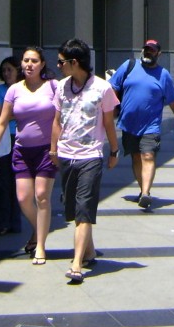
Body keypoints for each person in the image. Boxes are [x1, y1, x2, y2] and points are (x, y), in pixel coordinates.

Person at [49, 38, 120, 284]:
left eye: (61, 62)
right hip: (67, 155)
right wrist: (53, 150)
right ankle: (89, 252)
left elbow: (109, 123)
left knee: (84, 209)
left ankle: (77, 264)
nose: (58, 66)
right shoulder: (61, 87)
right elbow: (57, 121)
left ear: (74, 62)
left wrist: (113, 151)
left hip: (91, 156)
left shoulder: (102, 88)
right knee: (73, 209)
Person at [0, 46, 58, 265]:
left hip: (47, 150)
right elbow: (1, 121)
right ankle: (38, 231)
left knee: (41, 196)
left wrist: (58, 147)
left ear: (42, 64)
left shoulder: (53, 87)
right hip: (21, 150)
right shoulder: (14, 90)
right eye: (26, 61)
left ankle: (41, 246)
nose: (29, 64)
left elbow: (61, 118)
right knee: (23, 198)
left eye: (34, 61)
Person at [109, 39, 174, 211]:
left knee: (148, 156)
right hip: (129, 124)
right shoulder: (129, 65)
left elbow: (172, 100)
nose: (148, 52)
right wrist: (112, 108)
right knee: (136, 157)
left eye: (152, 50)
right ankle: (143, 190)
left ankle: (145, 193)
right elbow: (112, 86)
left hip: (151, 125)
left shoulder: (163, 74)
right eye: (146, 50)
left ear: (159, 53)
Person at [0, 57, 23, 236]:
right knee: (1, 181)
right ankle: (1, 222)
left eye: (10, 70)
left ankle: (15, 222)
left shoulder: (25, 89)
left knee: (19, 181)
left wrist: (10, 112)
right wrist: (19, 111)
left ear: (18, 71)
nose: (6, 73)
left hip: (22, 137)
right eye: (4, 70)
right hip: (3, 139)